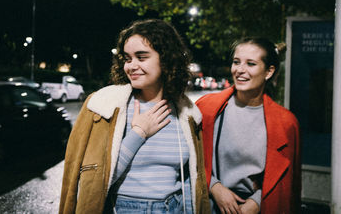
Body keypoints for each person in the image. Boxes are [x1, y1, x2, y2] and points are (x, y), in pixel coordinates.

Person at [59, 19, 210, 214]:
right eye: (127, 59)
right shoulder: (105, 107)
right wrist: (138, 133)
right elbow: (94, 183)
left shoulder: (186, 112)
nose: (131, 66)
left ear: (166, 59)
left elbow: (190, 181)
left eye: (141, 57)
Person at [196, 38, 301, 214]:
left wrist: (256, 202)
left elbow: (289, 184)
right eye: (236, 62)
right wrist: (214, 186)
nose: (240, 70)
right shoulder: (207, 108)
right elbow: (189, 159)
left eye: (251, 64)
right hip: (211, 205)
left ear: (269, 72)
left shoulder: (286, 123)